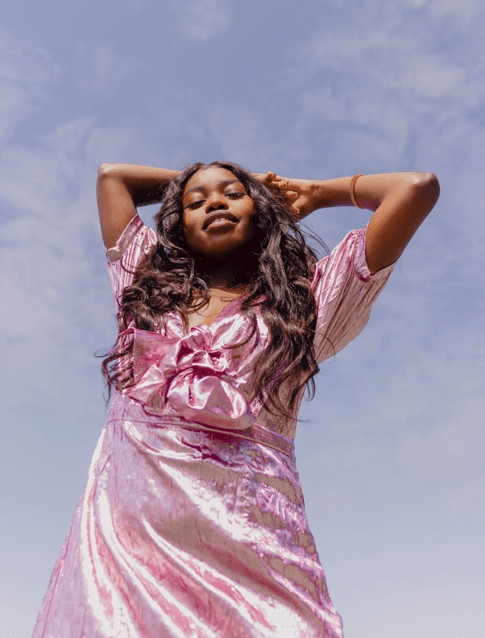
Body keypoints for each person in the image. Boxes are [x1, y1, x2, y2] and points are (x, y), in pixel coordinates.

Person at [32, 161, 439, 638]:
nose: (215, 203)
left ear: (260, 209)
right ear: (178, 221)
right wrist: (199, 182)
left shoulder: (308, 304)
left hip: (253, 551)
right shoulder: (143, 285)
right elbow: (111, 179)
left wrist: (319, 191)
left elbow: (414, 189)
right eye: (196, 202)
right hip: (125, 556)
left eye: (231, 194)